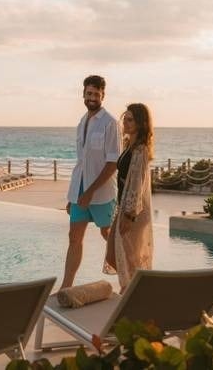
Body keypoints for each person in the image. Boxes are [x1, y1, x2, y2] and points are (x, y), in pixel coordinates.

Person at [61, 75, 120, 289]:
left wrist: (90, 192)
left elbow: (113, 162)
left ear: (103, 95)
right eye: (89, 93)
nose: (92, 97)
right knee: (74, 238)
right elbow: (82, 163)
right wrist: (74, 196)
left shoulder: (110, 123)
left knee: (109, 236)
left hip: (102, 193)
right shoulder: (82, 122)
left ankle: (128, 278)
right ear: (83, 94)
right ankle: (66, 287)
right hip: (79, 191)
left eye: (96, 94)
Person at [104, 103, 154, 292]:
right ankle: (133, 290)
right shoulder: (129, 145)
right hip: (123, 207)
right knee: (113, 255)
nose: (125, 121)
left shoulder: (140, 150)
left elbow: (137, 185)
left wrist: (129, 215)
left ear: (141, 123)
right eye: (125, 117)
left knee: (129, 259)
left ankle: (130, 295)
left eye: (131, 119)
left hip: (133, 213)